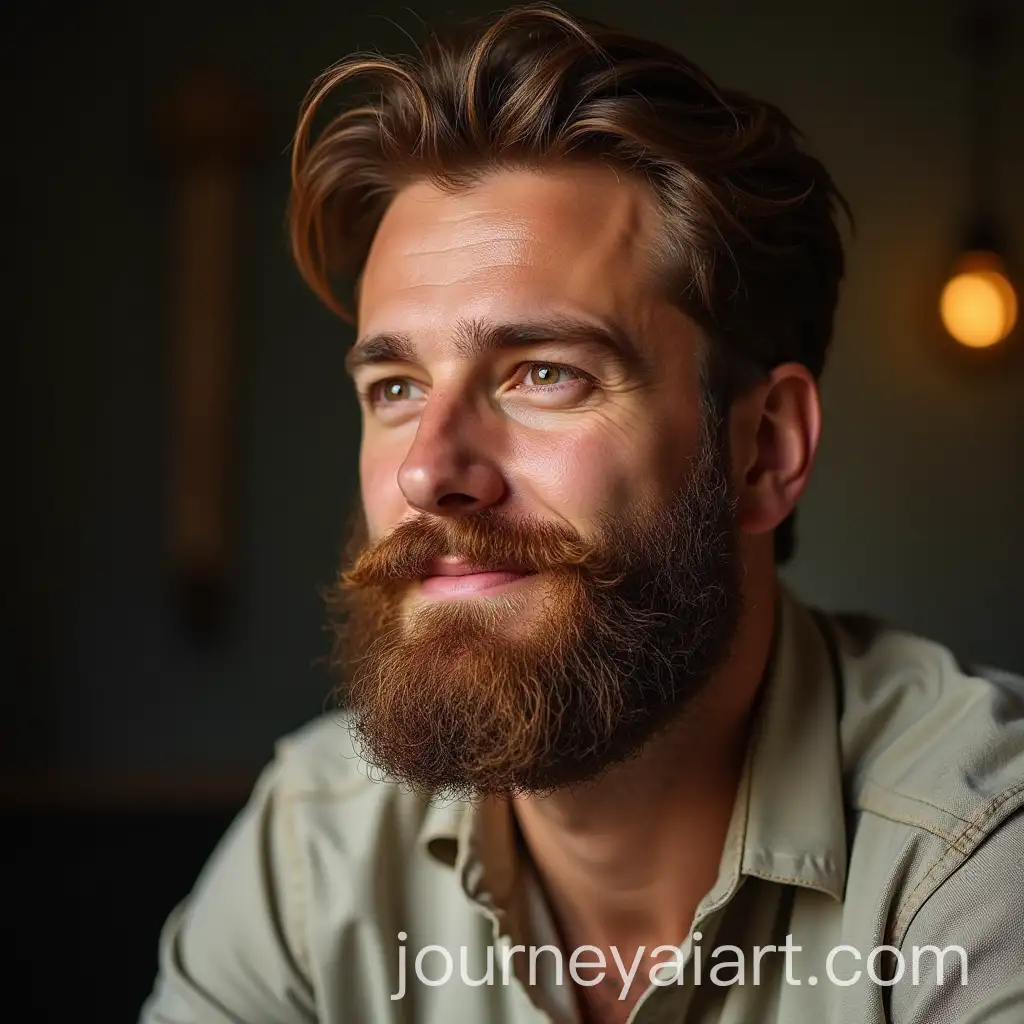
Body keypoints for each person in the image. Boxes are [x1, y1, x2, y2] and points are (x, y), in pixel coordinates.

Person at [140, 5, 1024, 1023]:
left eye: (543, 373)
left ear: (765, 449)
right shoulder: (314, 850)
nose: (430, 470)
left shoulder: (973, 863)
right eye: (393, 388)